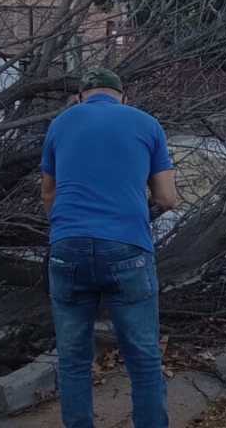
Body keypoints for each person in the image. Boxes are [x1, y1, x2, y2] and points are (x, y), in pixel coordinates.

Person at [40, 67, 178, 428]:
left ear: (81, 96)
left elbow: (49, 194)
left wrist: (70, 230)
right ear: (124, 96)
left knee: (72, 359)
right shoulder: (147, 124)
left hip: (66, 249)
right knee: (144, 357)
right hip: (127, 250)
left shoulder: (60, 124)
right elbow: (167, 197)